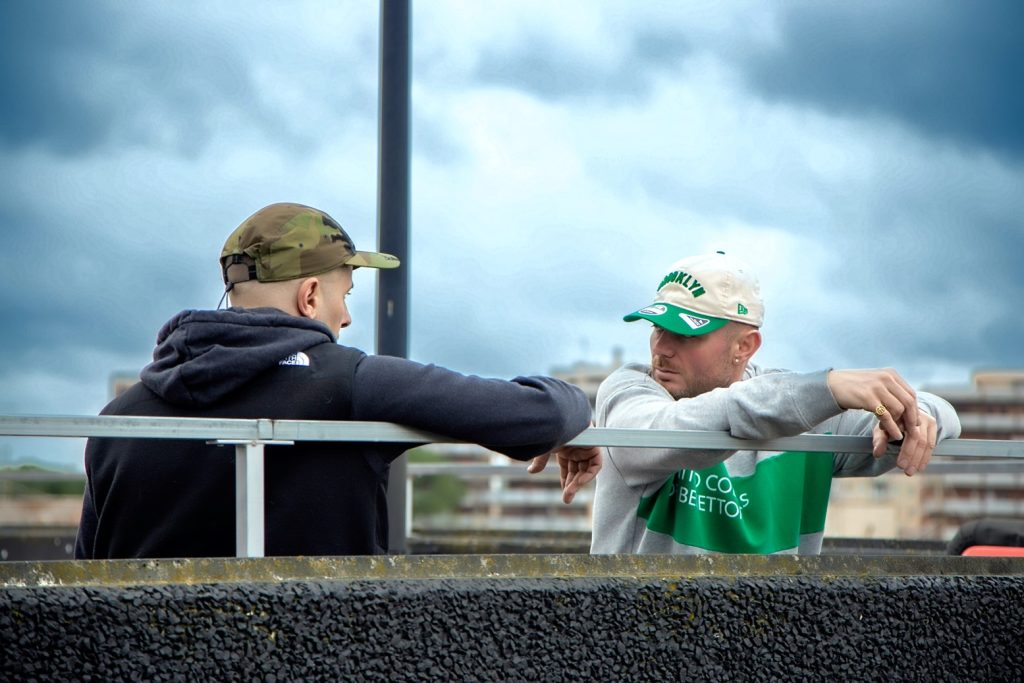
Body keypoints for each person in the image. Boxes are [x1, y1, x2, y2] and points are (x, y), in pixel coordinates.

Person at [75, 202, 601, 559]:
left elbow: (85, 580)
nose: (346, 319)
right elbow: (544, 414)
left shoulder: (120, 418)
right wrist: (575, 414)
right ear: (309, 297)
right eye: (344, 296)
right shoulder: (352, 384)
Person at [587, 250, 960, 555]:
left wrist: (913, 415)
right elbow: (666, 433)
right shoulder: (628, 392)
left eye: (686, 334)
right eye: (658, 328)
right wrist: (826, 387)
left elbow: (945, 414)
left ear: (744, 346)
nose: (662, 349)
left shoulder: (802, 409)